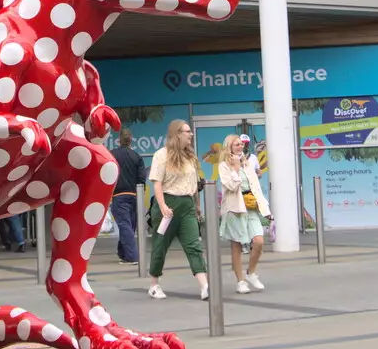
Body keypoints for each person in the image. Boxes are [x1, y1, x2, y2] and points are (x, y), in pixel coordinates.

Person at [147, 119, 208, 301]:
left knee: (193, 245)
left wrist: (197, 205)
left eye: (190, 131)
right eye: (187, 131)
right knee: (160, 245)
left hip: (187, 205)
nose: (191, 135)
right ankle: (154, 284)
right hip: (168, 205)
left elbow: (193, 184)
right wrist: (163, 205)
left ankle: (204, 285)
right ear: (177, 134)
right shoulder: (161, 155)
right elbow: (157, 182)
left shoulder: (190, 156)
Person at [216, 134, 269, 293]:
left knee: (258, 241)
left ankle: (251, 272)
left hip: (250, 206)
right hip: (234, 208)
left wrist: (264, 207)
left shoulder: (247, 162)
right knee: (237, 246)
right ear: (229, 147)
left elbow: (256, 186)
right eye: (236, 145)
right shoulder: (224, 165)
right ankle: (241, 281)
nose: (240, 147)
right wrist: (236, 169)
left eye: (241, 144)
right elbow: (231, 186)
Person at [110, 131, 144, 265]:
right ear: (131, 140)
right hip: (134, 195)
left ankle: (131, 256)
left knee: (125, 226)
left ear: (119, 140)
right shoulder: (137, 156)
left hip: (118, 196)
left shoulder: (112, 155)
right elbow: (141, 178)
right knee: (129, 226)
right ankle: (123, 253)